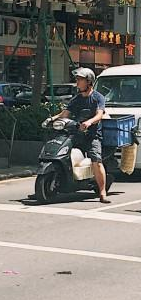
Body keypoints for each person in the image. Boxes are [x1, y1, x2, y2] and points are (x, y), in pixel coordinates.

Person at [44, 67, 110, 203]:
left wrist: (89, 122)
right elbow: (65, 113)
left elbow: (99, 114)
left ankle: (102, 191)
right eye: (77, 80)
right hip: (76, 134)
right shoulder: (77, 99)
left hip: (92, 135)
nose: (77, 82)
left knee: (96, 161)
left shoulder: (98, 97)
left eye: (80, 80)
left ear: (89, 81)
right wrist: (51, 119)